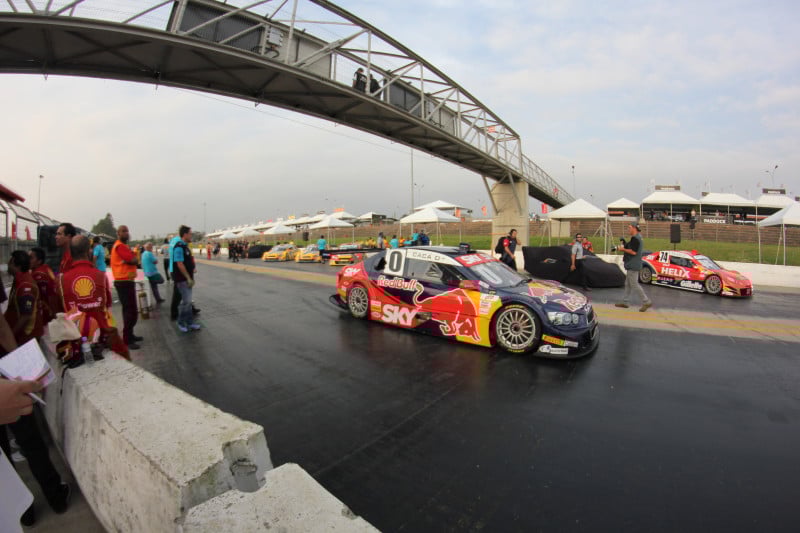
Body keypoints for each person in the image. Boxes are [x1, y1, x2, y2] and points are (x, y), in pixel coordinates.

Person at [57, 235, 129, 360]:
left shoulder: (61, 279)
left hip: (75, 343)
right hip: (102, 339)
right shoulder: (101, 275)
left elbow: (60, 310)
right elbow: (107, 305)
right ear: (88, 251)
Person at [110, 225, 142, 349]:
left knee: (130, 310)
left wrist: (132, 257)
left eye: (127, 231)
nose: (126, 233)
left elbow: (133, 259)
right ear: (118, 233)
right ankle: (127, 339)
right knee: (130, 311)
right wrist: (132, 258)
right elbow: (133, 260)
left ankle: (130, 335)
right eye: (123, 231)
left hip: (126, 280)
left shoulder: (123, 246)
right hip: (124, 282)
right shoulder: (120, 246)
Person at [4, 251, 43, 345]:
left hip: (26, 338)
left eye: (10, 263)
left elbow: (26, 316)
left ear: (18, 266)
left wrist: (11, 335)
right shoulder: (19, 281)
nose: (8, 265)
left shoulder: (25, 285)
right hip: (21, 336)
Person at [615, 223, 652, 312]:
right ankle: (625, 302)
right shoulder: (637, 237)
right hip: (633, 264)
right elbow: (632, 246)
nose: (629, 229)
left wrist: (622, 249)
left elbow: (633, 252)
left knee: (634, 284)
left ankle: (646, 301)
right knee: (628, 283)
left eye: (630, 228)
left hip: (633, 264)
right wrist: (624, 243)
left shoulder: (635, 238)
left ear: (634, 228)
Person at [172, 225, 200, 332]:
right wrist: (188, 278)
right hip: (182, 279)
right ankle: (181, 322)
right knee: (186, 302)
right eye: (190, 233)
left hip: (187, 278)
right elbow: (179, 264)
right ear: (185, 234)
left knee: (187, 302)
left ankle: (189, 322)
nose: (191, 235)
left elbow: (188, 261)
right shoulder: (178, 247)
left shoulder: (185, 246)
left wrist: (192, 270)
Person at [29, 247, 58, 327]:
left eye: (31, 258)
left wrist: (54, 314)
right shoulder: (45, 268)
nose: (28, 260)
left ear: (39, 261)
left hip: (46, 314)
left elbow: (51, 295)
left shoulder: (38, 275)